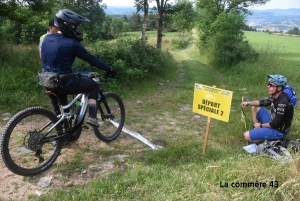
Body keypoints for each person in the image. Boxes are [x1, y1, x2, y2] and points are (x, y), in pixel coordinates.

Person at [40, 9, 117, 127]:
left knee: (61, 116)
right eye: (75, 27)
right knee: (93, 85)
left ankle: (64, 137)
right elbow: (92, 59)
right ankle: (92, 117)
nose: (76, 30)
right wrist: (109, 69)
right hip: (63, 83)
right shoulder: (71, 43)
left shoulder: (46, 39)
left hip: (46, 81)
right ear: (68, 26)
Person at [240, 75, 294, 143]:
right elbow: (262, 102)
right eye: (268, 84)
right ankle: (257, 130)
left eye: (271, 85)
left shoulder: (282, 102)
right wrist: (249, 103)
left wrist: (260, 125)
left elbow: (275, 124)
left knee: (246, 135)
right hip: (272, 121)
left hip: (278, 130)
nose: (268, 86)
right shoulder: (276, 95)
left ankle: (267, 137)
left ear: (279, 88)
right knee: (255, 106)